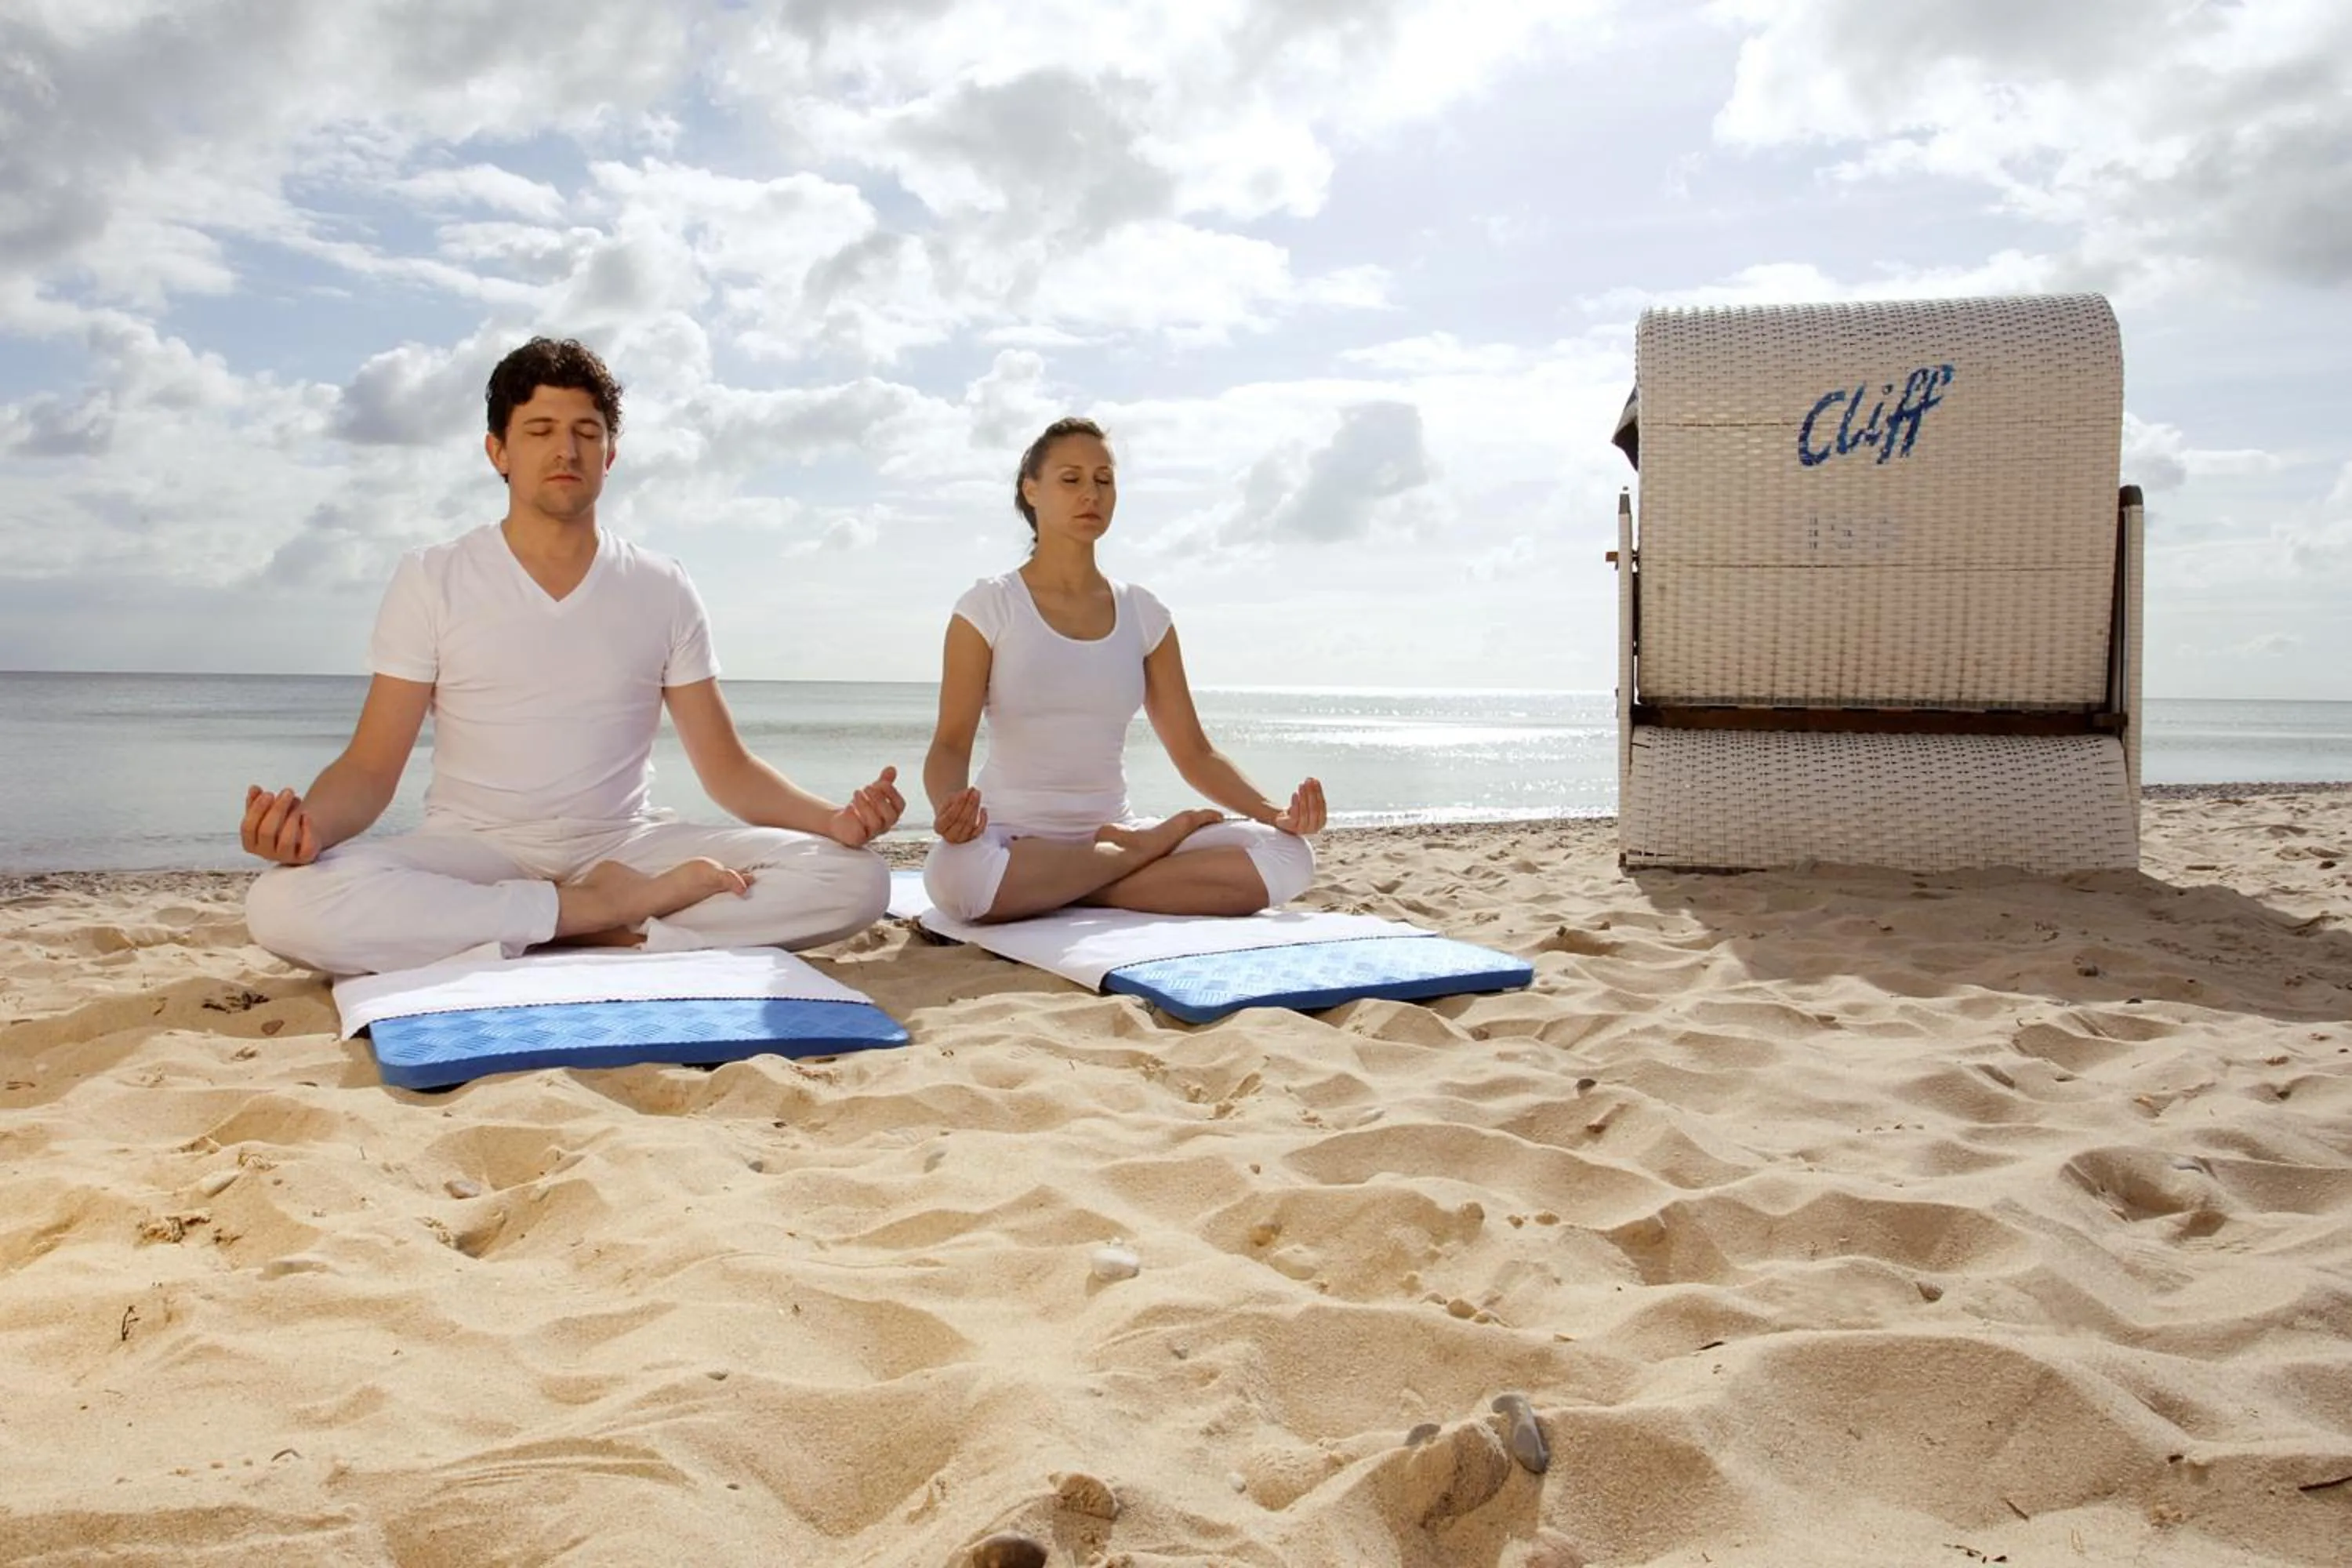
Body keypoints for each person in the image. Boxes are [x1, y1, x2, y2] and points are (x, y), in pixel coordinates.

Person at [240, 337, 902, 976]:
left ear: (610, 454)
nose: (566, 449)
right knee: (282, 903)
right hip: (477, 847)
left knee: (855, 879)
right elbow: (369, 767)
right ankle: (604, 918)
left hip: (624, 845)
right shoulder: (432, 577)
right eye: (540, 430)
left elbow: (728, 770)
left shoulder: (660, 584)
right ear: (498, 451)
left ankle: (569, 920)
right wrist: (308, 830)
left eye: (587, 432)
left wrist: (833, 821)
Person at [921, 416, 1324, 924]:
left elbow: (1194, 752)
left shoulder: (1144, 613)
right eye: (1071, 479)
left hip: (1114, 825)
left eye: (1104, 480)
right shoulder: (989, 606)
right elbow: (950, 742)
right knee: (956, 879)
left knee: (1288, 856)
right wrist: (950, 810)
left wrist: (1277, 815)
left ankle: (1088, 880)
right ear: (1031, 491)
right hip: (1011, 834)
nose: (1090, 492)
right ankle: (1129, 861)